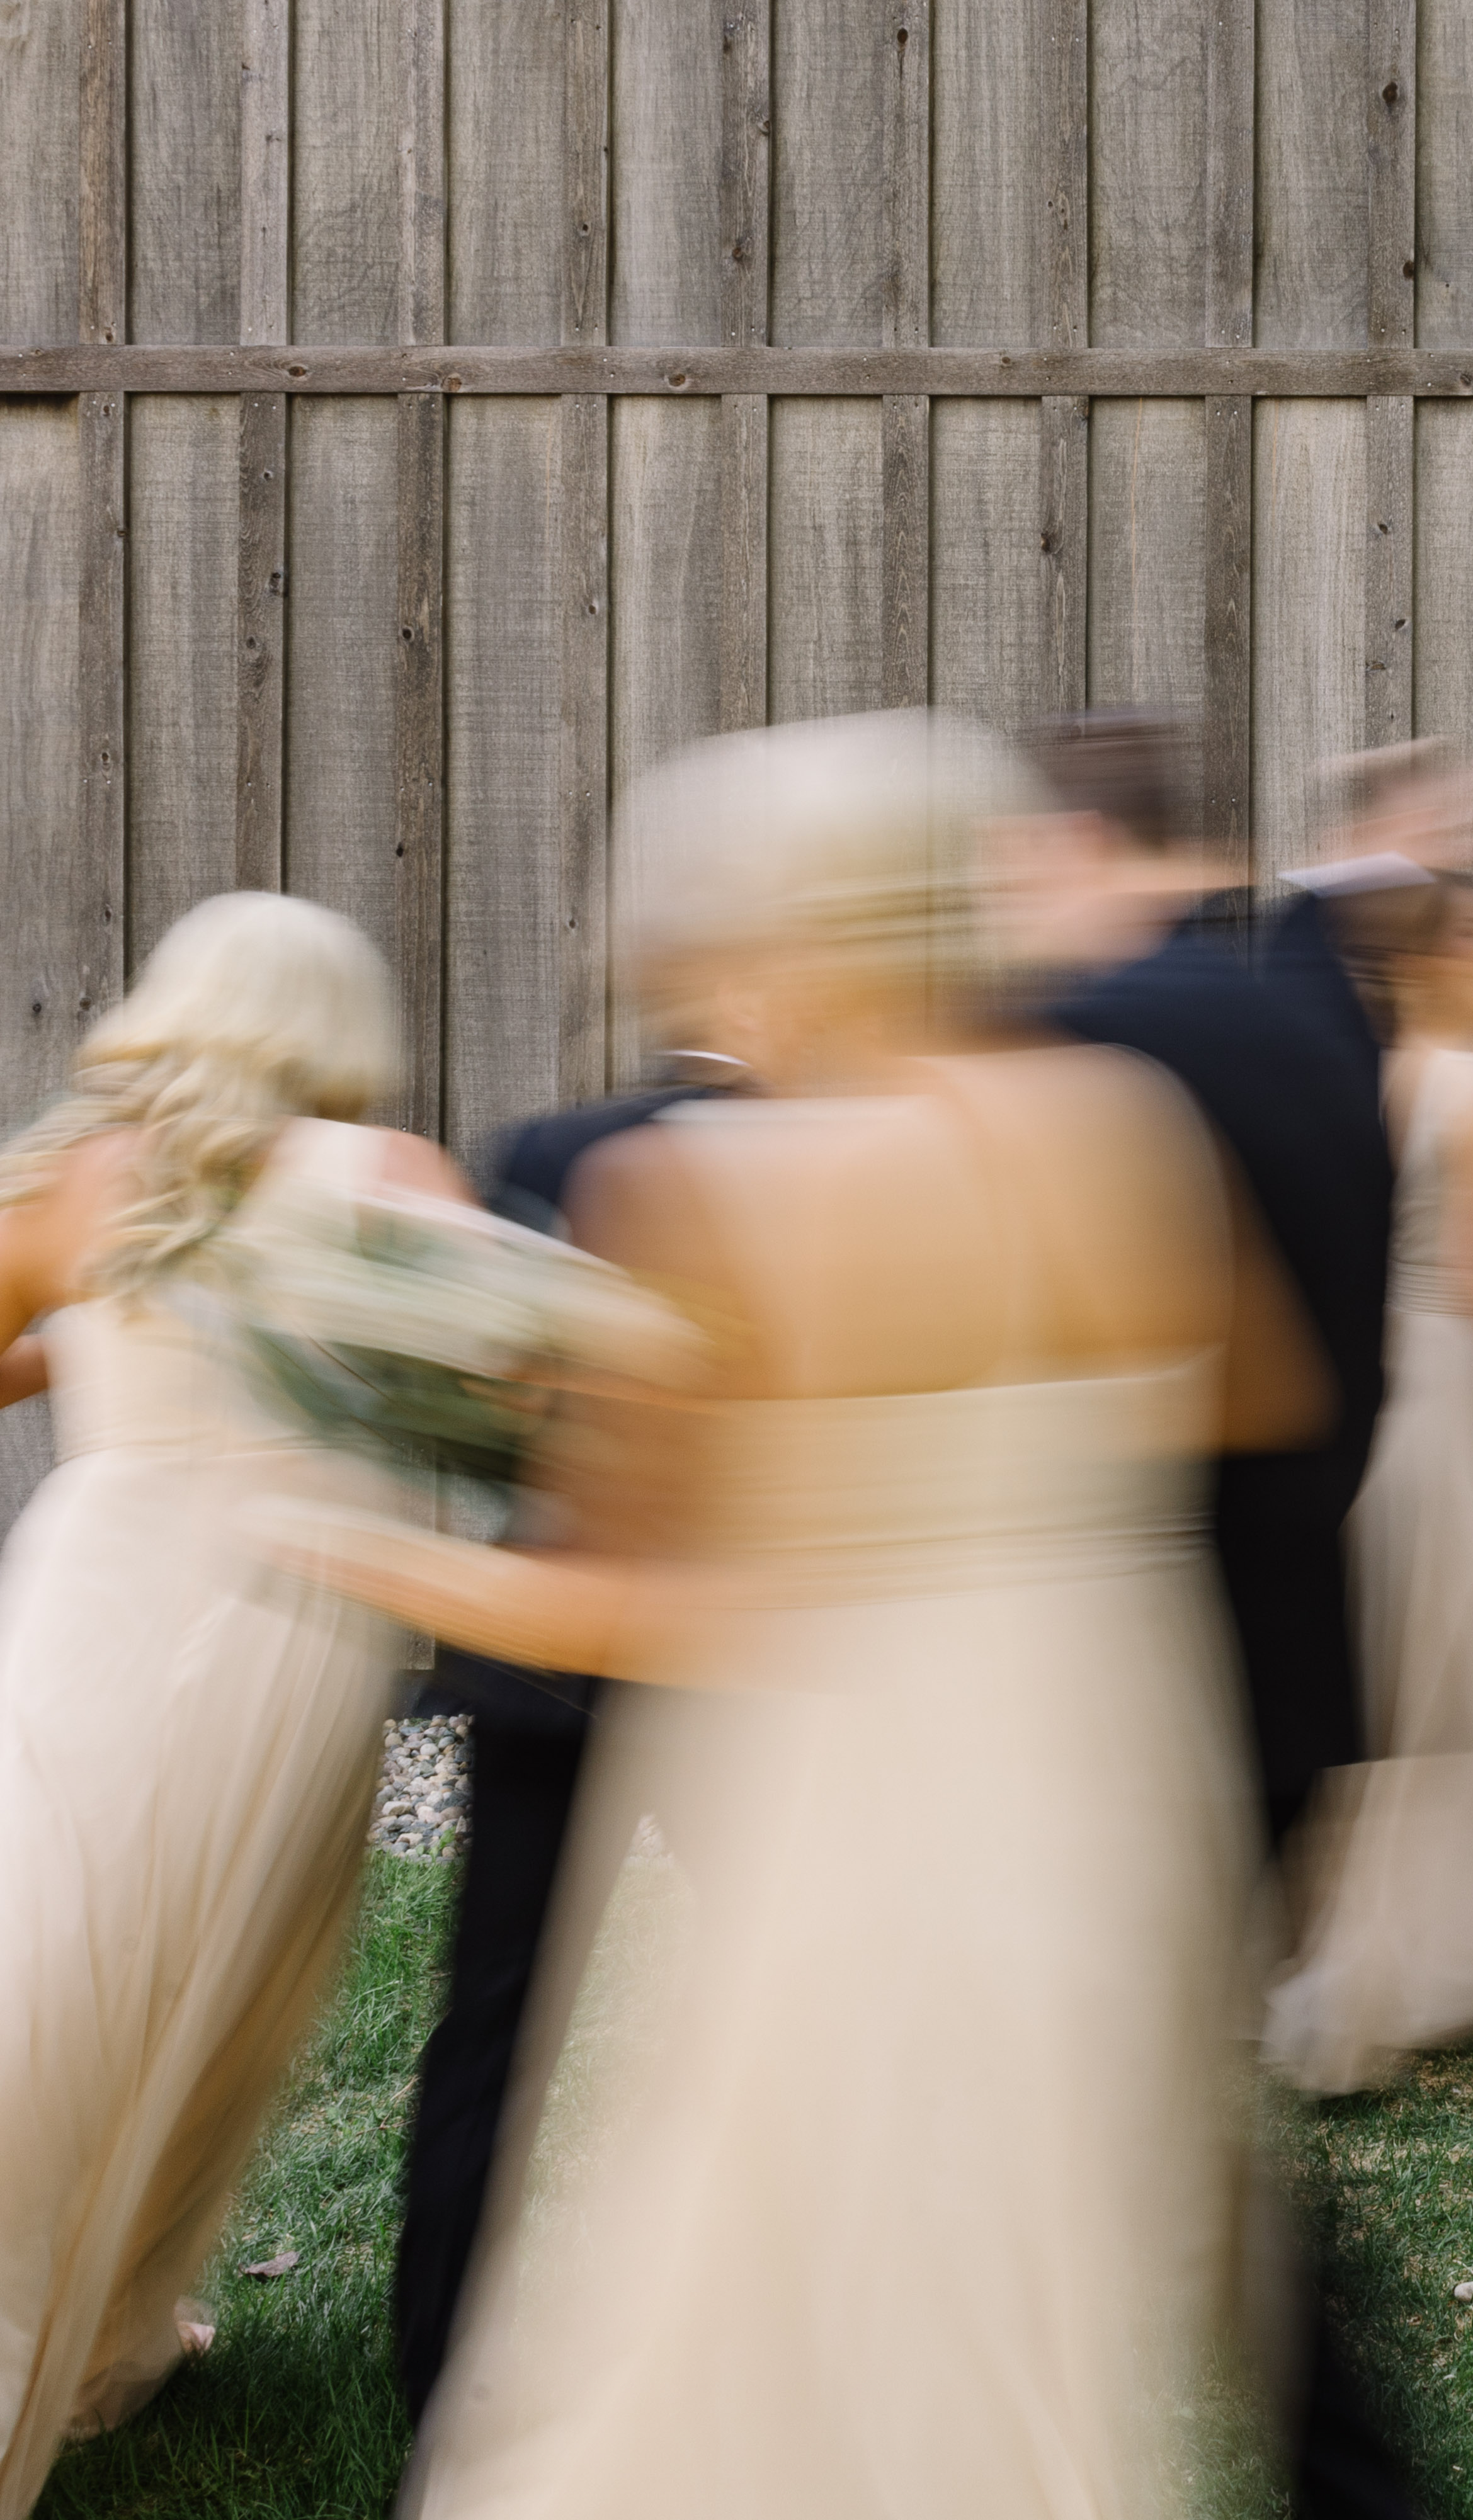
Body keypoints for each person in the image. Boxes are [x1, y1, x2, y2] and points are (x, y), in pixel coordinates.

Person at [290, 710, 1320, 2520]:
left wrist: (366, 1551)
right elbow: (1249, 1406)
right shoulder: (1123, 1122)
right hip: (1097, 1752)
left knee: (774, 2282)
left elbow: (666, 1605)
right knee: (1007, 2288)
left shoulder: (697, 1183)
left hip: (860, 1788)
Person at [0, 893, 470, 2514]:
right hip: (293, 1618)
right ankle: (107, 2315)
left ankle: (59, 2312)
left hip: (97, 1594)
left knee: (45, 1946)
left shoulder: (86, 1187)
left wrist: (106, 1325)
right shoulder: (391, 1182)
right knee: (210, 1983)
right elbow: (488, 1402)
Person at [388, 1024, 750, 2424]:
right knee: (793, 1984)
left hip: (543, 1654)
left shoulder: (545, 1149)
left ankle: (434, 2382)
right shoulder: (831, 1159)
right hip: (726, 1659)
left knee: (490, 2021)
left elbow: (477, 1406)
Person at [1014, 712, 1419, 1856]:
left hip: (1124, 1603)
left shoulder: (1071, 1034)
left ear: (1077, 840)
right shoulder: (1317, 1020)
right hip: (1294, 1594)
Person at [1271, 884, 1473, 2092]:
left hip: (1362, 1384)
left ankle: (1349, 1945)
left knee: (1393, 1674)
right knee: (1458, 1677)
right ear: (1451, 957)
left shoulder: (1368, 1063)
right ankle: (1397, 1963)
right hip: (1443, 1392)